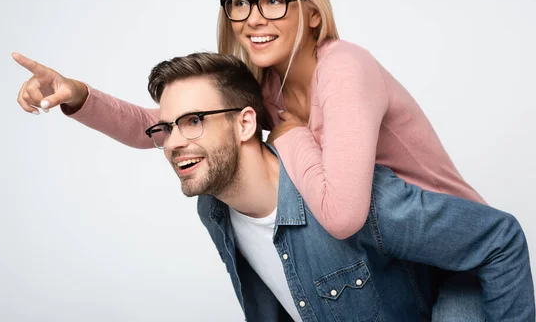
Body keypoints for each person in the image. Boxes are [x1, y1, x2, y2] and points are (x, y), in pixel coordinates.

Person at [13, 0, 486, 245]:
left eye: (274, 1)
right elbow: (159, 127)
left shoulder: (344, 68)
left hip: (457, 244)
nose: (253, 18)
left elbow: (342, 215)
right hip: (391, 259)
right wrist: (75, 93)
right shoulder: (265, 86)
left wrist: (289, 135)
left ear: (313, 12)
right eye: (241, 3)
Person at [145, 51, 534, 321]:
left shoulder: (345, 196)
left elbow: (499, 238)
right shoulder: (213, 209)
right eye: (166, 127)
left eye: (194, 120)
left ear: (246, 123)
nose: (174, 141)